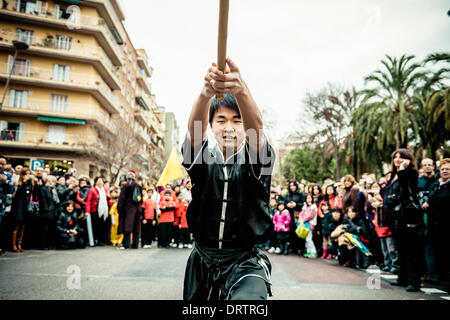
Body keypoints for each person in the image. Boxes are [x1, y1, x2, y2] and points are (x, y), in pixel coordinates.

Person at [181, 58, 275, 300]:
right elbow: (194, 133)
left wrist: (241, 89)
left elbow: (257, 130)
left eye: (237, 120)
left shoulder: (257, 159)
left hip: (244, 263)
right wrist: (205, 95)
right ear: (211, 125)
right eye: (221, 120)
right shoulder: (202, 159)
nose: (229, 127)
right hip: (202, 260)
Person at [384, 149, 422, 292]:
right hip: (396, 218)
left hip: (408, 216)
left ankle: (414, 281)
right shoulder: (392, 176)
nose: (397, 160)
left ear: (408, 159)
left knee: (411, 251)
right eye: (395, 157)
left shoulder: (411, 174)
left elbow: (408, 191)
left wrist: (402, 170)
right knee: (401, 249)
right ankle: (403, 278)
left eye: (401, 157)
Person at [423, 158, 450, 293]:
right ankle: (437, 277)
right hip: (434, 225)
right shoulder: (436, 185)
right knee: (438, 253)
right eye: (443, 169)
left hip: (446, 225)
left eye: (448, 169)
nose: (445, 171)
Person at [417, 158, 440, 283]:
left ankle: (434, 275)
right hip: (420, 218)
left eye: (429, 165)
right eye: (424, 165)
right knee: (422, 248)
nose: (427, 167)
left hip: (434, 218)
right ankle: (424, 273)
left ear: (434, 166)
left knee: (432, 249)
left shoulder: (437, 181)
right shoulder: (419, 181)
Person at [10, 167, 40, 252]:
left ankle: (19, 244)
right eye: (25, 173)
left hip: (26, 207)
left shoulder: (30, 183)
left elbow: (36, 193)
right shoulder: (19, 182)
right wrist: (24, 181)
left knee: (23, 226)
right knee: (16, 226)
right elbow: (18, 192)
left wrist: (35, 181)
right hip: (18, 206)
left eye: (28, 173)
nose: (27, 175)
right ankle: (14, 245)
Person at [370, 194, 399, 274]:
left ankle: (395, 265)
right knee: (385, 251)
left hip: (387, 232)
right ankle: (387, 264)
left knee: (392, 250)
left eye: (375, 202)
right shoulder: (376, 211)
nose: (374, 204)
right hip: (380, 233)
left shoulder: (384, 210)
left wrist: (387, 230)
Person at [117, 171, 142, 249]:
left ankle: (127, 244)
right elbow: (141, 198)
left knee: (127, 226)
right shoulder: (138, 185)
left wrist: (119, 208)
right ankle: (135, 245)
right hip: (137, 208)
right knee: (136, 227)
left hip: (128, 208)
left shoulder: (125, 185)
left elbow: (122, 198)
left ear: (127, 178)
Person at [85, 176, 111, 246]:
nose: (100, 182)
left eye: (101, 181)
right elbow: (88, 201)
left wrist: (108, 196)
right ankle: (93, 240)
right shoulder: (92, 190)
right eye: (99, 181)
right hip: (95, 210)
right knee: (95, 226)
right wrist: (87, 211)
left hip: (103, 210)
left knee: (102, 226)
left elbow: (108, 199)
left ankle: (101, 241)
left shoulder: (104, 190)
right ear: (95, 182)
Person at [38, 175, 59, 250]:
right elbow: (43, 200)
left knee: (50, 229)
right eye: (49, 181)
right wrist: (47, 210)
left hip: (53, 212)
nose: (51, 183)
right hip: (46, 212)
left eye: (53, 181)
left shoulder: (54, 190)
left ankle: (49, 244)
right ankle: (43, 245)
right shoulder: (44, 189)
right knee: (44, 230)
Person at [0, 155, 14, 255]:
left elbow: (11, 190)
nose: (0, 165)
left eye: (3, 164)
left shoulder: (7, 175)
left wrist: (5, 182)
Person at [298, 194, 318, 258]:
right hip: (305, 224)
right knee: (307, 239)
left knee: (309, 239)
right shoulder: (305, 206)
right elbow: (301, 213)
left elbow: (310, 216)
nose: (308, 199)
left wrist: (302, 220)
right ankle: (309, 251)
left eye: (310, 198)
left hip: (310, 224)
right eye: (307, 198)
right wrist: (300, 220)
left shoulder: (313, 206)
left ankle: (313, 252)